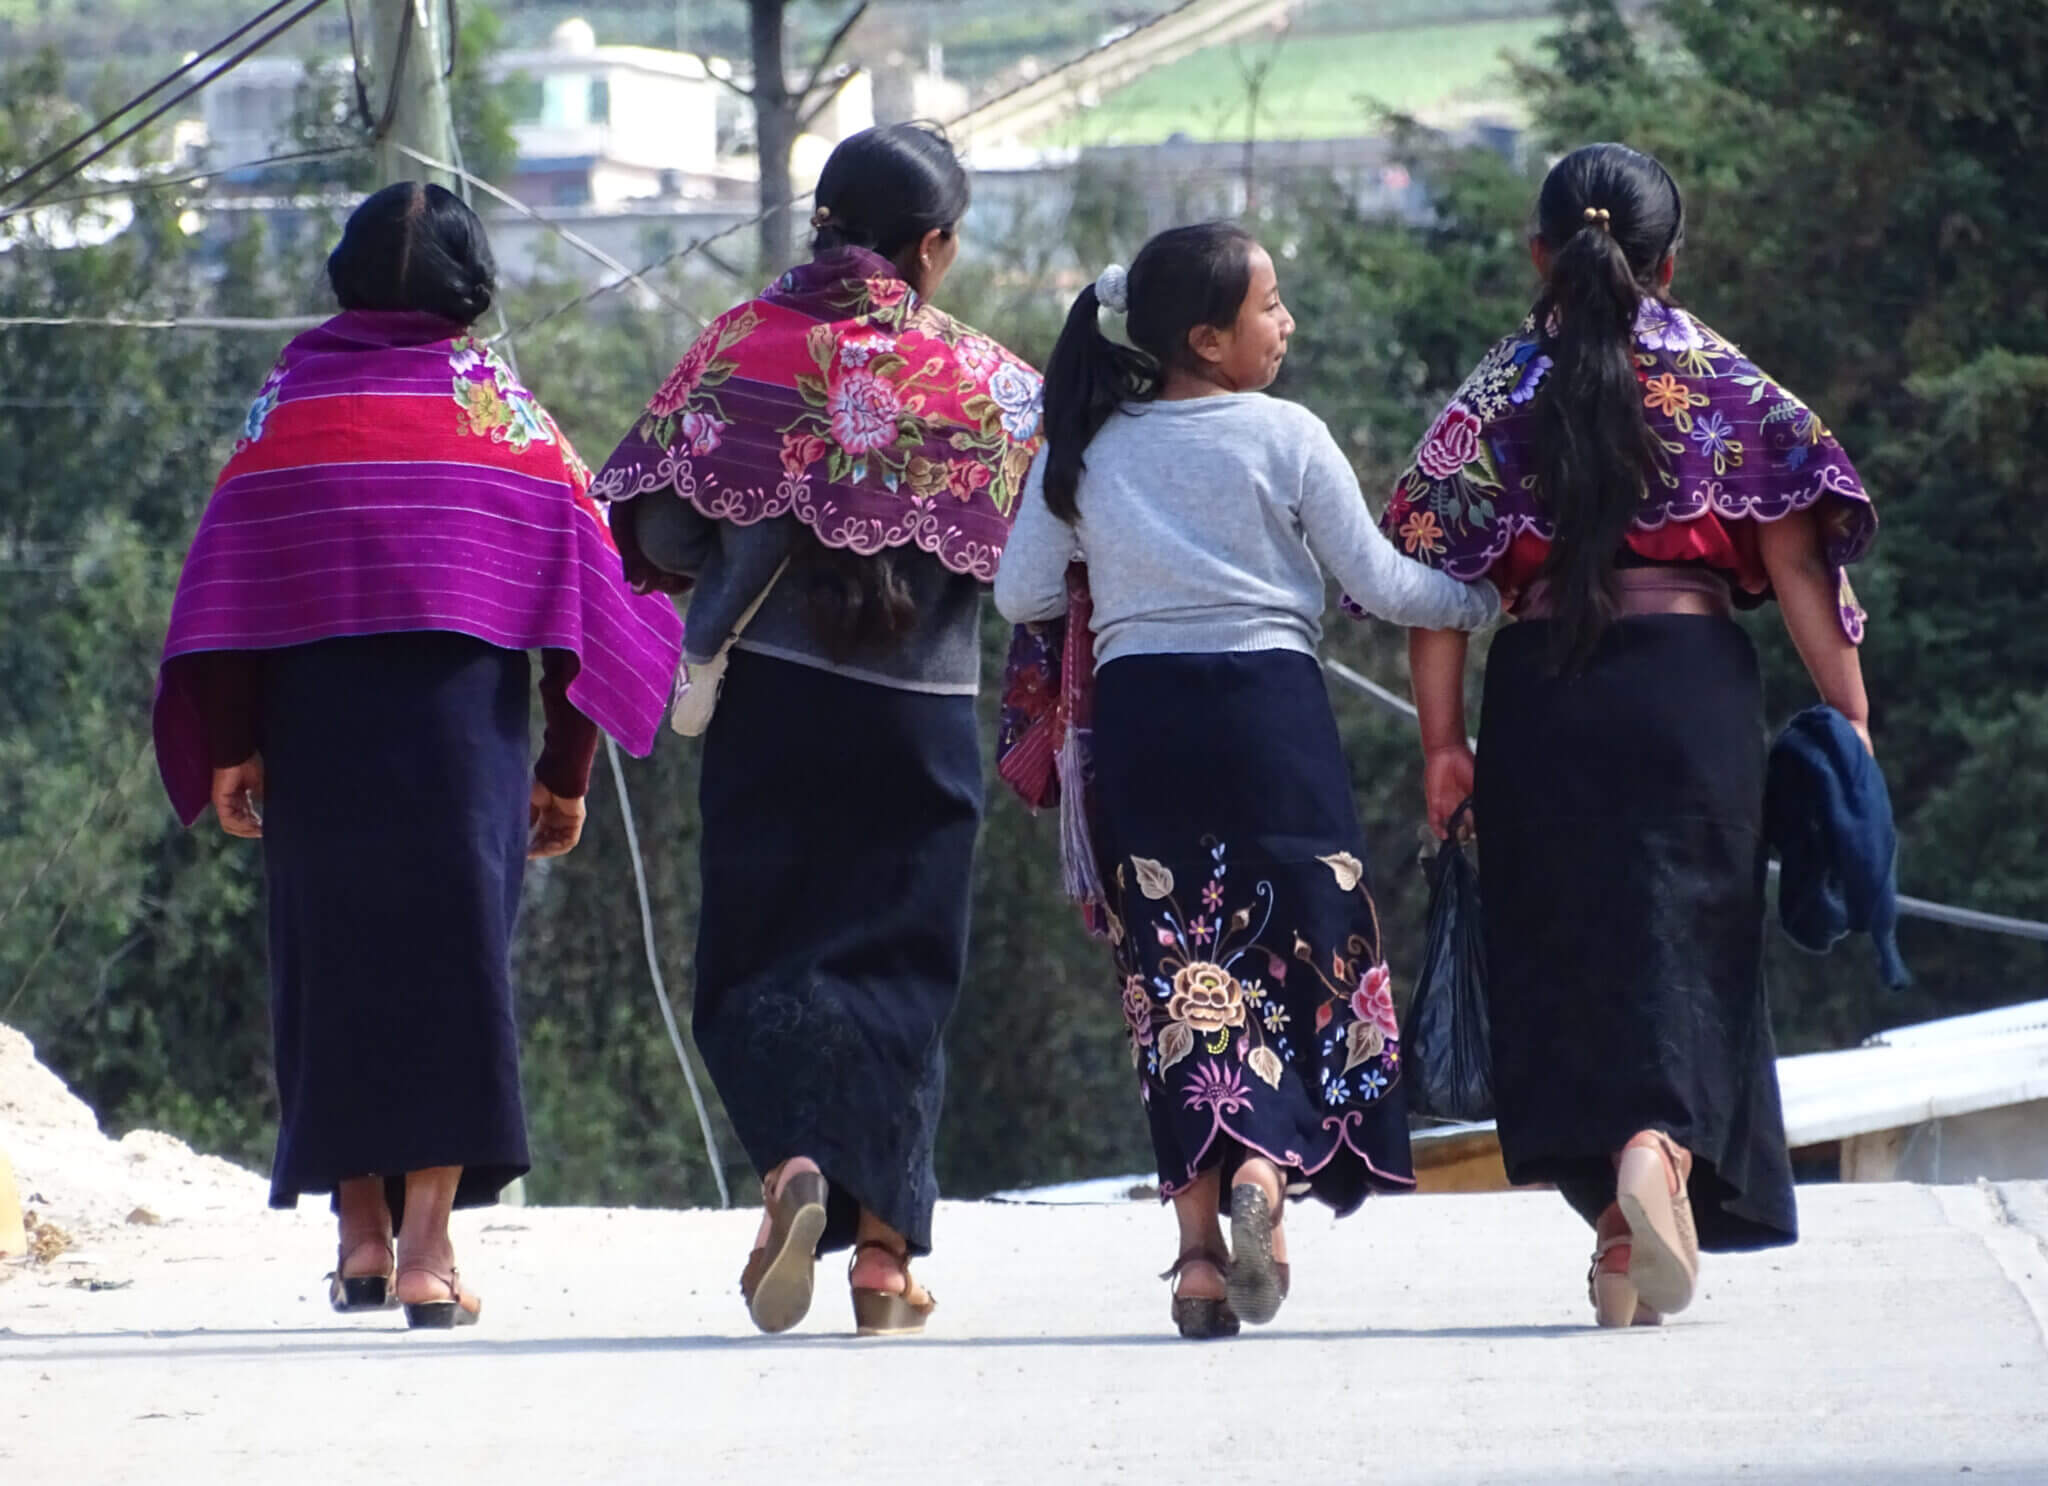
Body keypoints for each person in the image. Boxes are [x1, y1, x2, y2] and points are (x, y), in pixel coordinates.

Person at [153, 182, 684, 1328]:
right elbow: (591, 593)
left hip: (315, 733)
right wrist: (565, 770)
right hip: (461, 736)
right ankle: (427, 1257)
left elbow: (233, 591)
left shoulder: (284, 407)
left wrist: (234, 749)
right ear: (469, 288)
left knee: (333, 969)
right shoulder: (502, 411)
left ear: (346, 280)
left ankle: (357, 1235)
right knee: (454, 974)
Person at [1380, 143, 1879, 1327]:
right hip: (1688, 689)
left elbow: (1429, 584)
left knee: (1568, 948)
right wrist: (1848, 712)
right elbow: (1795, 553)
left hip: (1544, 696)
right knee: (1686, 938)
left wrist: (1443, 746)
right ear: (1671, 256)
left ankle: (1616, 1233)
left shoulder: (1495, 394)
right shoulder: (1723, 382)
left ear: (1537, 252)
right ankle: (1654, 1156)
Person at [994, 223, 1500, 1339]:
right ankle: (1269, 1168)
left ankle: (1194, 1263)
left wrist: (1116, 560)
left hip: (1145, 729)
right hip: (1273, 719)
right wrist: (1480, 600)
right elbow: (1373, 580)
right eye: (1270, 307)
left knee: (1175, 978)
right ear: (1207, 338)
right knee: (1300, 951)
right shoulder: (1286, 435)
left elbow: (1020, 589)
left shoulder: (1085, 441)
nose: (1287, 324)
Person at [590, 123, 1042, 1337]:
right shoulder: (994, 387)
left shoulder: (743, 345)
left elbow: (659, 531)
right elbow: (1038, 561)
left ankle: (792, 1166)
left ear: (824, 221)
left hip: (774, 705)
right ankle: (884, 1263)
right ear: (933, 243)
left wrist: (746, 540)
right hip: (921, 719)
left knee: (762, 954)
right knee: (899, 971)